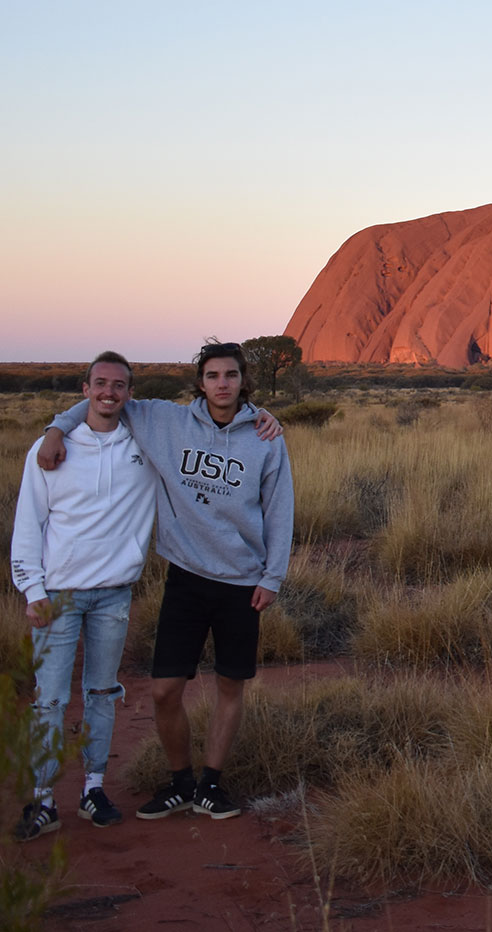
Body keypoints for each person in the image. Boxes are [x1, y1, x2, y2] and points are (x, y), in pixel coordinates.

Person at [38, 340, 292, 823]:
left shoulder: (265, 437)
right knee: (163, 689)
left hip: (242, 582)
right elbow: (106, 400)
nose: (222, 384)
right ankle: (180, 783)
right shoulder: (166, 421)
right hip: (186, 577)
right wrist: (56, 428)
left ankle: (211, 785)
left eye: (231, 376)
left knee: (230, 685)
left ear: (243, 381)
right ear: (201, 382)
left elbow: (280, 509)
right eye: (213, 375)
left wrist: (272, 576)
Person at [9, 352, 158, 840]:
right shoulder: (51, 449)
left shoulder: (146, 444)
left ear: (130, 393)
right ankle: (44, 799)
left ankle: (93, 789)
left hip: (114, 593)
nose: (109, 393)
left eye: (119, 385)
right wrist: (32, 589)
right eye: (100, 384)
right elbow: (29, 523)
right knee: (48, 699)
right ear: (85, 387)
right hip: (59, 593)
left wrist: (261, 418)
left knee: (101, 693)